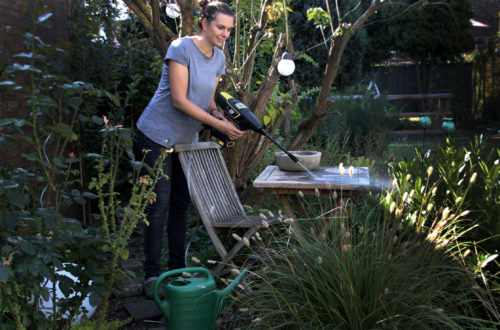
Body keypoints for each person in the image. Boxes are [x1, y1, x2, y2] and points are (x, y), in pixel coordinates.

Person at [134, 0, 244, 298]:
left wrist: (219, 116)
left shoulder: (219, 58)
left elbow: (207, 101)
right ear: (205, 22)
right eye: (221, 27)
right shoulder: (181, 48)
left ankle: (177, 267)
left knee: (182, 204)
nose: (225, 34)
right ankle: (152, 276)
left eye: (229, 29)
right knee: (159, 206)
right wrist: (218, 126)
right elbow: (180, 100)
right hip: (156, 135)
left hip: (187, 141)